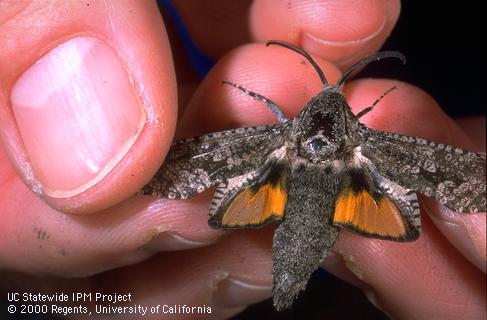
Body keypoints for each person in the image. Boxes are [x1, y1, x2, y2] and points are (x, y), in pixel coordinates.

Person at [0, 1, 484, 319]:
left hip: (278, 181)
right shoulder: (369, 136)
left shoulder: (278, 128)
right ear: (356, 118)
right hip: (353, 189)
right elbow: (462, 176)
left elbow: (197, 158)